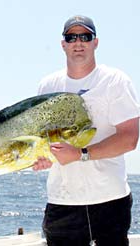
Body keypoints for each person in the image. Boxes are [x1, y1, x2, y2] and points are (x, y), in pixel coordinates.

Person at [33, 15, 140, 246]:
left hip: (110, 200)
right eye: (72, 37)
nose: (78, 42)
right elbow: (44, 141)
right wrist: (42, 158)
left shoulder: (115, 81)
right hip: (63, 202)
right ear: (63, 44)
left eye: (85, 36)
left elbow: (129, 138)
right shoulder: (47, 86)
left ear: (95, 42)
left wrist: (80, 153)